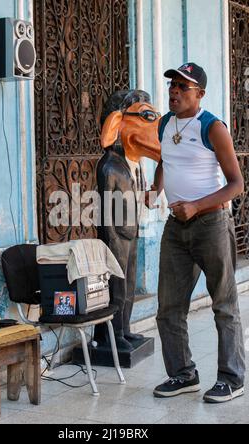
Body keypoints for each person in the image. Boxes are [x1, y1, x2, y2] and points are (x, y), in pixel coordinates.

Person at [152, 63, 246, 403]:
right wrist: (155, 188)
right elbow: (164, 159)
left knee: (223, 304)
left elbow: (236, 184)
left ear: (199, 94)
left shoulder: (212, 126)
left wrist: (196, 206)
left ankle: (232, 379)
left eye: (183, 86)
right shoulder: (165, 123)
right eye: (172, 85)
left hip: (212, 226)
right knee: (168, 307)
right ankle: (183, 374)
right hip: (176, 229)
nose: (174, 91)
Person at [94, 90, 161, 351]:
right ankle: (109, 333)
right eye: (146, 117)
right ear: (117, 123)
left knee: (129, 285)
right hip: (115, 237)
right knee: (115, 288)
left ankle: (126, 328)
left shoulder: (133, 166)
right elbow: (106, 209)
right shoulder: (109, 166)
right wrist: (110, 238)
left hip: (130, 233)